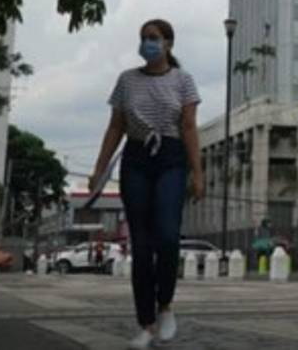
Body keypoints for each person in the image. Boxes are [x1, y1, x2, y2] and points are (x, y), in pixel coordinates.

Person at [91, 18, 204, 350]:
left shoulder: (184, 80)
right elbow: (115, 127)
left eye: (153, 38)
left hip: (170, 157)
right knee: (141, 246)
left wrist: (197, 173)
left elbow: (189, 127)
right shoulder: (127, 80)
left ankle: (165, 304)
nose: (147, 43)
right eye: (143, 38)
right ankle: (146, 323)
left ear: (168, 43)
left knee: (167, 236)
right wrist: (99, 169)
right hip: (136, 159)